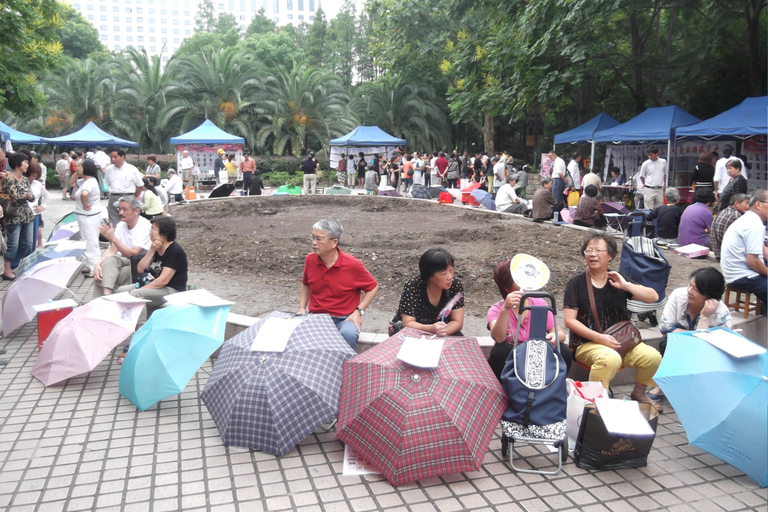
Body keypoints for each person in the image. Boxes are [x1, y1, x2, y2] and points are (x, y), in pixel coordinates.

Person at [564, 233, 662, 412]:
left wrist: (626, 286)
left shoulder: (618, 279)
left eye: (598, 250)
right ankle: (594, 404)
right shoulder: (576, 284)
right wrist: (599, 338)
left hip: (623, 342)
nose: (592, 254)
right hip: (587, 343)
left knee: (653, 357)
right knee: (609, 358)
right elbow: (569, 321)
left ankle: (639, 393)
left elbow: (653, 297)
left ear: (610, 256)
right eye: (589, 250)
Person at [648, 268, 732, 400]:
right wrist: (698, 336)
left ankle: (697, 387)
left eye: (696, 289)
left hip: (706, 354)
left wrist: (704, 317)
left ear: (710, 295)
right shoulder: (678, 296)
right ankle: (664, 386)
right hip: (678, 344)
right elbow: (665, 329)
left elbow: (713, 347)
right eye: (690, 285)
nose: (689, 291)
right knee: (668, 343)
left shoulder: (721, 314)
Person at [298, 218, 379, 350]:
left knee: (349, 334)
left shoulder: (352, 264)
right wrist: (301, 308)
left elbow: (373, 287)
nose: (313, 243)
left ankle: (346, 368)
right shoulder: (310, 260)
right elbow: (306, 284)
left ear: (334, 242)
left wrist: (358, 311)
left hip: (344, 319)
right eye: (312, 237)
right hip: (317, 316)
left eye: (319, 239)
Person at [486, 259, 570, 381]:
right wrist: (505, 310)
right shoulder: (497, 309)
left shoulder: (539, 304)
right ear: (507, 288)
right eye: (518, 280)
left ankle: (554, 390)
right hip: (512, 357)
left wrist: (555, 337)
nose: (525, 283)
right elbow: (498, 338)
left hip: (537, 354)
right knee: (500, 350)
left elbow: (560, 334)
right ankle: (504, 390)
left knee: (564, 350)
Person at [116, 216, 188, 323]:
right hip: (153, 285)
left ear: (163, 235)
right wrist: (152, 250)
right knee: (120, 291)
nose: (150, 232)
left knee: (136, 295)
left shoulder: (174, 251)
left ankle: (140, 327)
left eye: (153, 229)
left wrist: (141, 290)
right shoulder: (155, 247)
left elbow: (163, 281)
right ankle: (124, 323)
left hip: (171, 290)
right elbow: (140, 269)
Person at [397, 248, 464, 336]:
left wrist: (440, 333)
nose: (450, 277)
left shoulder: (455, 285)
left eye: (451, 270)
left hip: (444, 332)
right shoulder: (413, 286)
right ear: (429, 277)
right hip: (417, 333)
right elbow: (408, 323)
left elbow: (457, 322)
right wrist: (431, 329)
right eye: (443, 274)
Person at [93, 196, 152, 297]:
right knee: (106, 264)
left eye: (124, 209)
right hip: (124, 261)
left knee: (113, 274)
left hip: (140, 264)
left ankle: (107, 300)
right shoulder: (121, 225)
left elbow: (133, 255)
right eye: (119, 209)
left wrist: (113, 238)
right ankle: (106, 298)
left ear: (136, 211)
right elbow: (112, 250)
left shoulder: (144, 226)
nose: (120, 213)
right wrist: (97, 265)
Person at [720, 189, 767, 310]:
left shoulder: (748, 218)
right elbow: (752, 261)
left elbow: (762, 250)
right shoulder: (755, 225)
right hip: (742, 276)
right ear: (758, 204)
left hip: (733, 272)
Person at [2, 153, 35, 280]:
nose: (27, 165)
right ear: (17, 164)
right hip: (14, 216)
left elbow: (31, 196)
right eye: (25, 162)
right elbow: (14, 196)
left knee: (28, 244)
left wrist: (28, 196)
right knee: (13, 244)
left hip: (27, 215)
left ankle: (26, 268)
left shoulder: (26, 179)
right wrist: (25, 195)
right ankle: (7, 271)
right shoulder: (8, 178)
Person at [73, 159, 104, 276]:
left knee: (91, 241)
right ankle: (89, 264)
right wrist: (77, 172)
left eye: (79, 166)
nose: (77, 168)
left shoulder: (89, 182)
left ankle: (94, 268)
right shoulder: (84, 181)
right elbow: (71, 183)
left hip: (89, 217)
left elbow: (84, 194)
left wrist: (85, 204)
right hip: (85, 216)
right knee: (86, 240)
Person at [104, 148, 143, 225]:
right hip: (113, 197)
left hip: (128, 197)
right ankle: (115, 236)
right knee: (113, 222)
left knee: (129, 220)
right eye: (111, 157)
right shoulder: (109, 169)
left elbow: (140, 186)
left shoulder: (132, 169)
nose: (113, 159)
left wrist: (133, 196)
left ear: (122, 156)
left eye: (115, 157)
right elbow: (108, 183)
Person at [710, 193, 749, 260]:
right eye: (746, 203)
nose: (748, 206)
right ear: (737, 203)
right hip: (728, 255)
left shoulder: (723, 211)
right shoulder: (736, 216)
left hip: (718, 253)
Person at [25, 161, 49, 250]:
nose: (33, 178)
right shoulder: (21, 182)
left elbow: (47, 197)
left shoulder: (37, 184)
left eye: (36, 176)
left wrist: (42, 207)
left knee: (32, 240)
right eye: (32, 175)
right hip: (22, 215)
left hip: (34, 215)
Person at [639, 146, 667, 210]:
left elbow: (665, 174)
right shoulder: (646, 163)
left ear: (656, 153)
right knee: (648, 208)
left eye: (651, 155)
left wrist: (664, 185)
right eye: (649, 155)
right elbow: (642, 176)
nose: (649, 156)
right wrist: (645, 184)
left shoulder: (663, 162)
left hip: (659, 188)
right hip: (649, 189)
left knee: (659, 207)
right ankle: (649, 220)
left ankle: (657, 220)